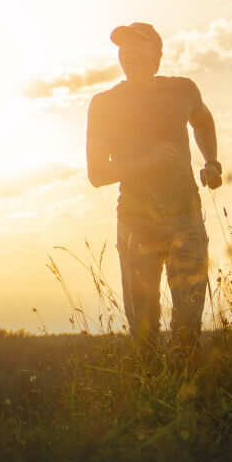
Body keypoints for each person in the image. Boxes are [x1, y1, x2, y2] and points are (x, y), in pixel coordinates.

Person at [87, 22, 223, 349]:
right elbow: (97, 174)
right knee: (144, 334)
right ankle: (153, 394)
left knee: (188, 329)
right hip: (137, 222)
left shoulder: (182, 90)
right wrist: (148, 161)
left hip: (186, 217)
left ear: (156, 54)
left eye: (136, 45)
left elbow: (202, 120)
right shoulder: (105, 104)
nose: (127, 53)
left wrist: (212, 162)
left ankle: (187, 395)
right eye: (123, 47)